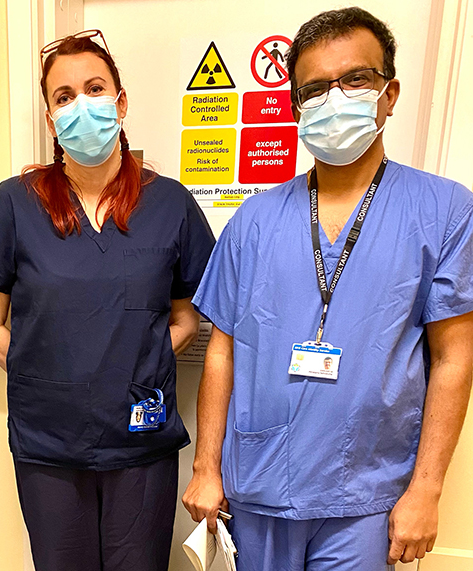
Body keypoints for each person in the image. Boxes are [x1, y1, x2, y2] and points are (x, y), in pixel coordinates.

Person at [183, 7, 473, 571]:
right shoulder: (255, 220)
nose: (333, 98)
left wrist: (427, 490)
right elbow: (220, 351)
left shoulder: (445, 211)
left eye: (355, 80)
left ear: (389, 93)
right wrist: (206, 466)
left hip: (365, 497)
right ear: (296, 109)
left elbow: (454, 357)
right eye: (314, 89)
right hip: (258, 485)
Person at [0, 30, 215, 571]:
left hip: (141, 437)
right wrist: (47, 374)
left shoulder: (170, 203)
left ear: (120, 103)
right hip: (49, 439)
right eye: (64, 96)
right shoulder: (15, 202)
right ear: (51, 119)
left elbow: (187, 315)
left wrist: (133, 368)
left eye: (94, 89)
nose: (81, 105)